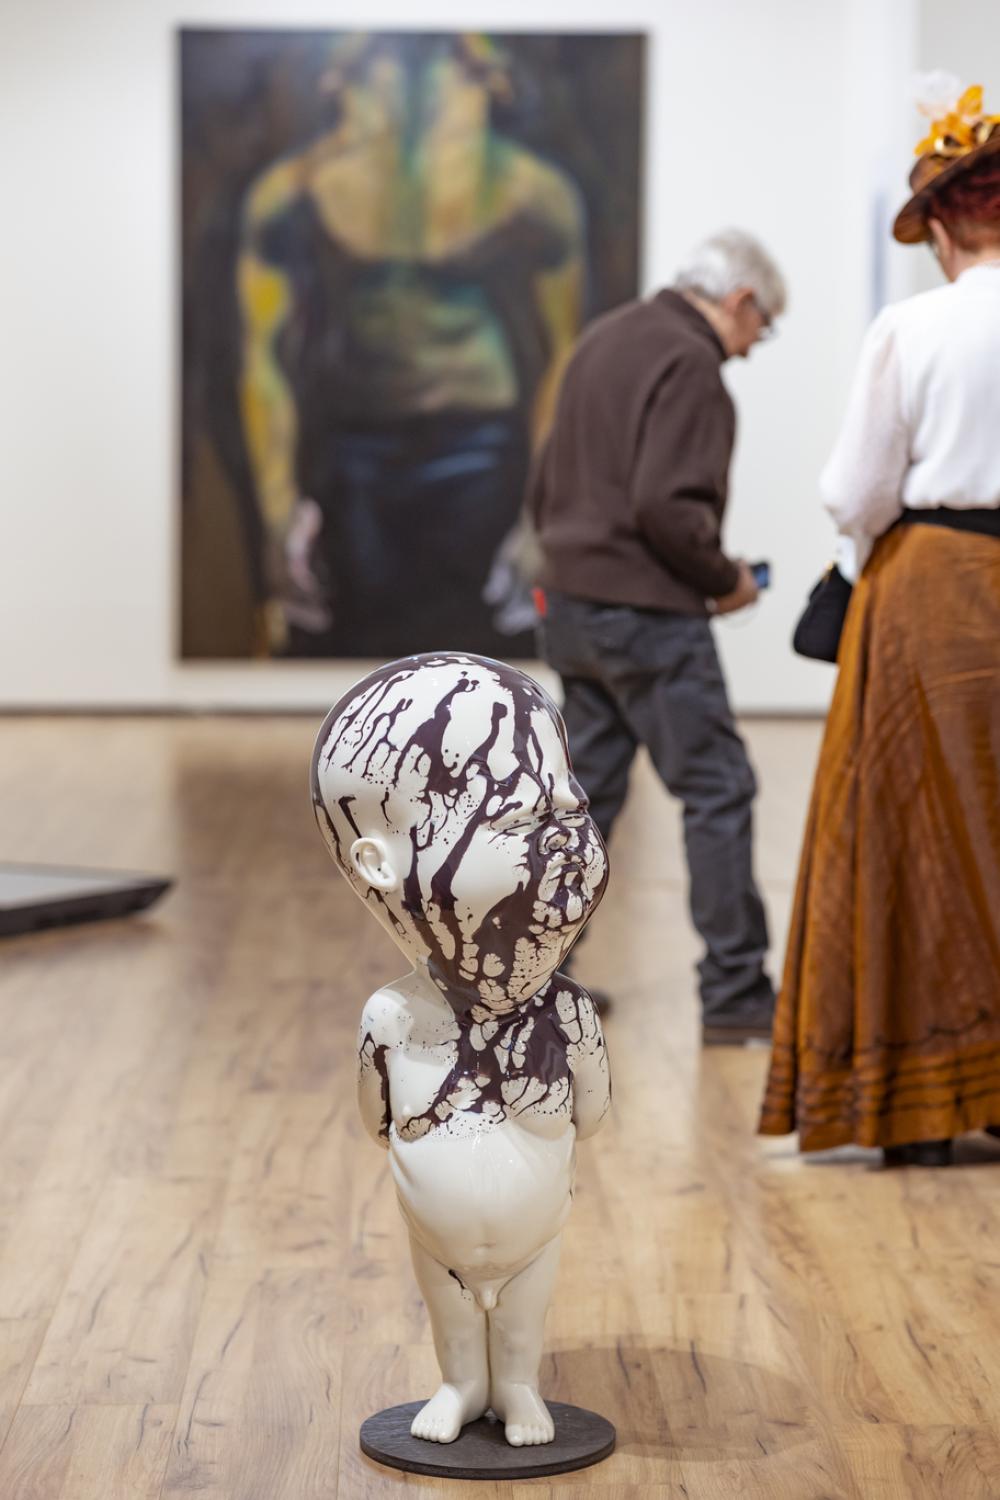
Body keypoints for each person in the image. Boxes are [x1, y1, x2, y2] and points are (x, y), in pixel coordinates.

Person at [759, 77, 1000, 1165]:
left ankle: (918, 1103)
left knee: (913, 832)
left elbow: (854, 491)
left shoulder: (913, 327)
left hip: (931, 592)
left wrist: (861, 555)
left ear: (942, 225)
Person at [311, 653, 610, 1446]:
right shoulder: (392, 1018)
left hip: (536, 1241)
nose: (567, 845)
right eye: (518, 822)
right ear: (378, 863)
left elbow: (592, 1115)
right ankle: (459, 1383)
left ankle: (517, 1386)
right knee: (449, 1315)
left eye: (573, 810)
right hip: (435, 1244)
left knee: (523, 1319)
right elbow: (378, 1120)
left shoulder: (567, 1013)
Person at [237, 33, 585, 659]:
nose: (416, 96)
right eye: (385, 71)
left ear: (489, 84)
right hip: (354, 459)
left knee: (476, 664)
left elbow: (568, 359)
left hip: (483, 457)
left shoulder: (533, 193)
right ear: (342, 82)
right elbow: (261, 358)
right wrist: (277, 509)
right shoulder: (292, 194)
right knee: (356, 658)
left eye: (451, 70)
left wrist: (542, 514)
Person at [530, 229, 787, 1043]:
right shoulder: (692, 364)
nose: (754, 347)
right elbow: (667, 508)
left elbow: (544, 480)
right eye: (764, 326)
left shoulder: (605, 338)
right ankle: (737, 995)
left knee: (584, 802)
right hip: (648, 616)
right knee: (718, 789)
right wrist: (726, 579)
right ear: (739, 301)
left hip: (570, 606)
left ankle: (533, 984)